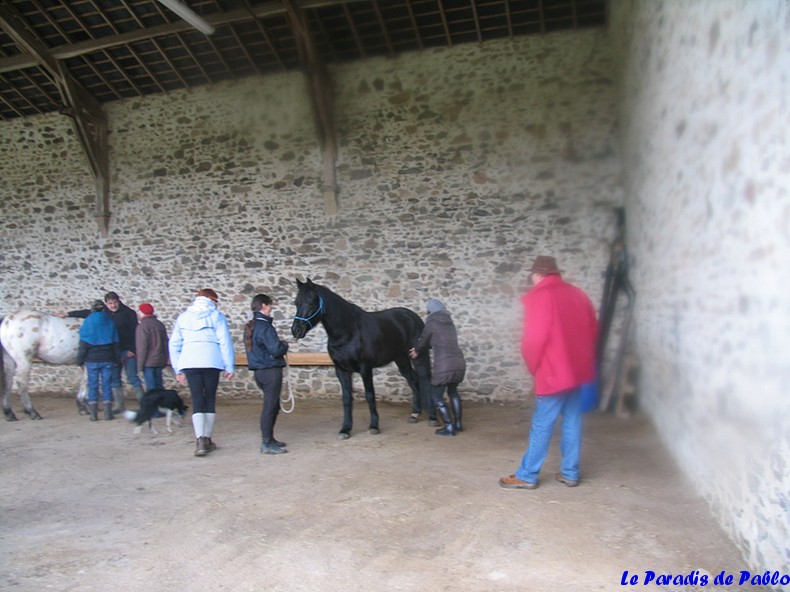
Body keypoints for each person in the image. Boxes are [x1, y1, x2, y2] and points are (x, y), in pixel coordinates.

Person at [500, 256, 598, 490]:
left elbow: (534, 341)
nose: (531, 279)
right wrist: (582, 361)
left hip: (554, 372)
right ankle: (570, 472)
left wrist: (535, 368)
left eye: (532, 274)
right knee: (573, 420)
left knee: (542, 424)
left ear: (538, 275)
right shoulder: (578, 293)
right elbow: (593, 330)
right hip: (576, 371)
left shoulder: (541, 296)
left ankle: (527, 474)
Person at [169, 288, 235, 457]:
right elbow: (224, 342)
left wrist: (178, 367)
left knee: (197, 398)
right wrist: (229, 366)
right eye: (215, 300)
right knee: (210, 398)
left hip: (190, 361)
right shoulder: (217, 316)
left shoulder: (183, 317)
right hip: (211, 360)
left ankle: (199, 440)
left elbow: (174, 344)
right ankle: (207, 438)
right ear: (211, 300)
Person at [58, 291, 145, 410]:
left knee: (133, 377)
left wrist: (132, 350)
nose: (113, 305)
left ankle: (144, 403)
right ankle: (119, 405)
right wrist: (68, 314)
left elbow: (136, 333)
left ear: (118, 301)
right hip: (113, 352)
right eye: (110, 303)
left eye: (115, 302)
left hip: (127, 351)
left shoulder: (129, 313)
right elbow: (86, 312)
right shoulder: (104, 312)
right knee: (115, 379)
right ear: (106, 304)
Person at [409, 298, 466, 436]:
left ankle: (449, 427)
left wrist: (416, 350)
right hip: (459, 362)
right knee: (453, 393)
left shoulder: (432, 323)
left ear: (431, 310)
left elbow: (423, 340)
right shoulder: (449, 323)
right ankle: (458, 424)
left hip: (444, 364)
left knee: (436, 396)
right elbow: (439, 339)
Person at [245, 294, 290, 455]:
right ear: (264, 305)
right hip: (270, 372)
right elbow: (276, 350)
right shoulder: (265, 327)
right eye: (270, 305)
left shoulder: (252, 326)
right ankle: (266, 442)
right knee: (270, 407)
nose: (271, 308)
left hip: (260, 372)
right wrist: (284, 345)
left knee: (273, 406)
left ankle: (270, 438)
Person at [75, 300, 121, 421]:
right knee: (106, 385)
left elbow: (83, 344)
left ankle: (94, 414)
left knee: (93, 385)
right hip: (108, 359)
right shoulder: (110, 321)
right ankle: (107, 413)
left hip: (92, 360)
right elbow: (116, 343)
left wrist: (80, 361)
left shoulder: (88, 322)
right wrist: (117, 359)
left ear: (93, 309)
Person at [136, 303, 169, 391]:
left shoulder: (142, 326)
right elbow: (165, 343)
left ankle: (154, 404)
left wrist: (140, 365)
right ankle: (162, 403)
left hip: (148, 362)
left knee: (151, 388)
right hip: (160, 360)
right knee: (159, 385)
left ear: (143, 312)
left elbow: (142, 347)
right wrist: (166, 358)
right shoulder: (160, 324)